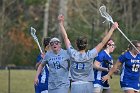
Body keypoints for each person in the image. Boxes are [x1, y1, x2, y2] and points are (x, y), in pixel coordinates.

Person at [58, 14, 118, 93]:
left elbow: (65, 37)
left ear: (76, 44)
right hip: (88, 84)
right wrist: (112, 29)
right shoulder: (90, 54)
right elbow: (103, 42)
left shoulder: (72, 53)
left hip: (75, 85)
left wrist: (60, 23)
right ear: (86, 45)